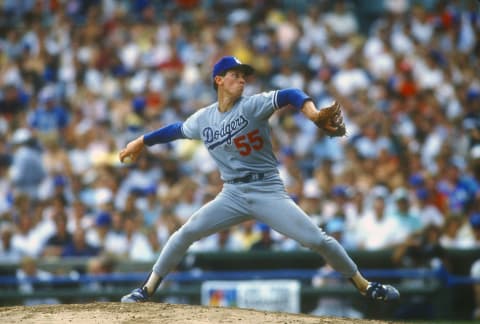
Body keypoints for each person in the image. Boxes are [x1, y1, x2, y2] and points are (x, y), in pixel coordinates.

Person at [119, 56, 400, 303]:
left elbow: (289, 94)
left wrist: (312, 113)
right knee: (185, 233)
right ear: (219, 80)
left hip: (266, 189)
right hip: (231, 194)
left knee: (319, 240)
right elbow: (176, 130)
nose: (242, 79)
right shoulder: (204, 118)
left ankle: (365, 286)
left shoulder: (253, 105)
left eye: (244, 75)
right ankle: (146, 289)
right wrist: (141, 141)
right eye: (235, 75)